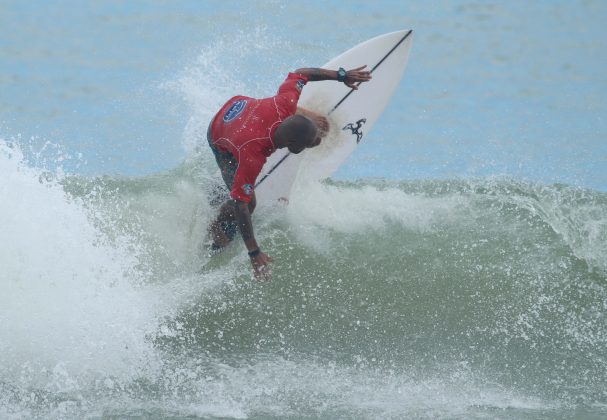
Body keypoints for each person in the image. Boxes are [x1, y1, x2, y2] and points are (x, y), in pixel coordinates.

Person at [207, 66, 372, 278]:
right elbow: (240, 204)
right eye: (309, 144)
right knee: (249, 202)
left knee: (301, 116)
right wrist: (254, 251)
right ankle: (215, 234)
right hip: (219, 129)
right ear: (291, 144)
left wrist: (342, 76)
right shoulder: (251, 156)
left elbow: (301, 73)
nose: (316, 143)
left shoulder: (285, 102)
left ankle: (302, 119)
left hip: (243, 106)